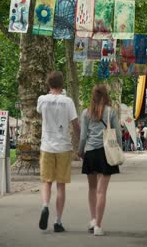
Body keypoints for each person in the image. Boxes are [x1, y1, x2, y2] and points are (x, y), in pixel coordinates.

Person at [37, 71, 80, 233]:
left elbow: (40, 112)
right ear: (62, 85)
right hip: (63, 147)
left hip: (47, 146)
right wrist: (80, 145)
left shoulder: (42, 100)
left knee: (46, 181)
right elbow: (75, 125)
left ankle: (45, 206)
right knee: (61, 185)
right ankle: (58, 221)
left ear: (49, 84)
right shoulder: (68, 101)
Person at [78, 84, 122, 236]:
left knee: (91, 189)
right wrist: (119, 149)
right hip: (106, 154)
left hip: (90, 152)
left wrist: (80, 150)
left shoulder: (86, 113)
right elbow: (118, 133)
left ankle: (92, 219)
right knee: (101, 191)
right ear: (105, 95)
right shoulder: (111, 112)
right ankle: (98, 226)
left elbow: (83, 135)